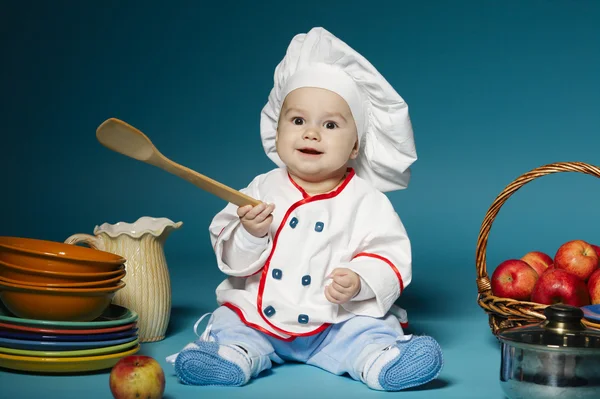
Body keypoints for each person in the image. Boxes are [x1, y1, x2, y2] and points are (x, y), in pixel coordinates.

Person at [166, 27, 443, 392]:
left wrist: (360, 281)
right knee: (233, 320)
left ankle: (378, 360)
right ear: (277, 129)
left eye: (330, 125)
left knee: (366, 330)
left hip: (335, 320)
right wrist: (251, 233)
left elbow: (388, 254)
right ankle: (234, 355)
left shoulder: (367, 201)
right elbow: (229, 256)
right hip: (260, 315)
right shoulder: (261, 188)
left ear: (356, 146)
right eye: (298, 121)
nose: (311, 133)